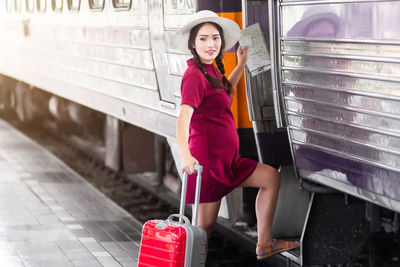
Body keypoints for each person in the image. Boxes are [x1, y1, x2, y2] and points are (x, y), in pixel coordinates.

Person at [174, 10, 299, 260]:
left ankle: (264, 243)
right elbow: (183, 119)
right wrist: (186, 156)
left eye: (215, 38)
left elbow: (224, 96)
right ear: (192, 43)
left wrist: (241, 64)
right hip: (208, 163)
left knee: (271, 178)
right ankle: (183, 263)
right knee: (203, 229)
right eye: (203, 39)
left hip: (227, 161)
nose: (210, 44)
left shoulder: (210, 71)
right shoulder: (194, 77)